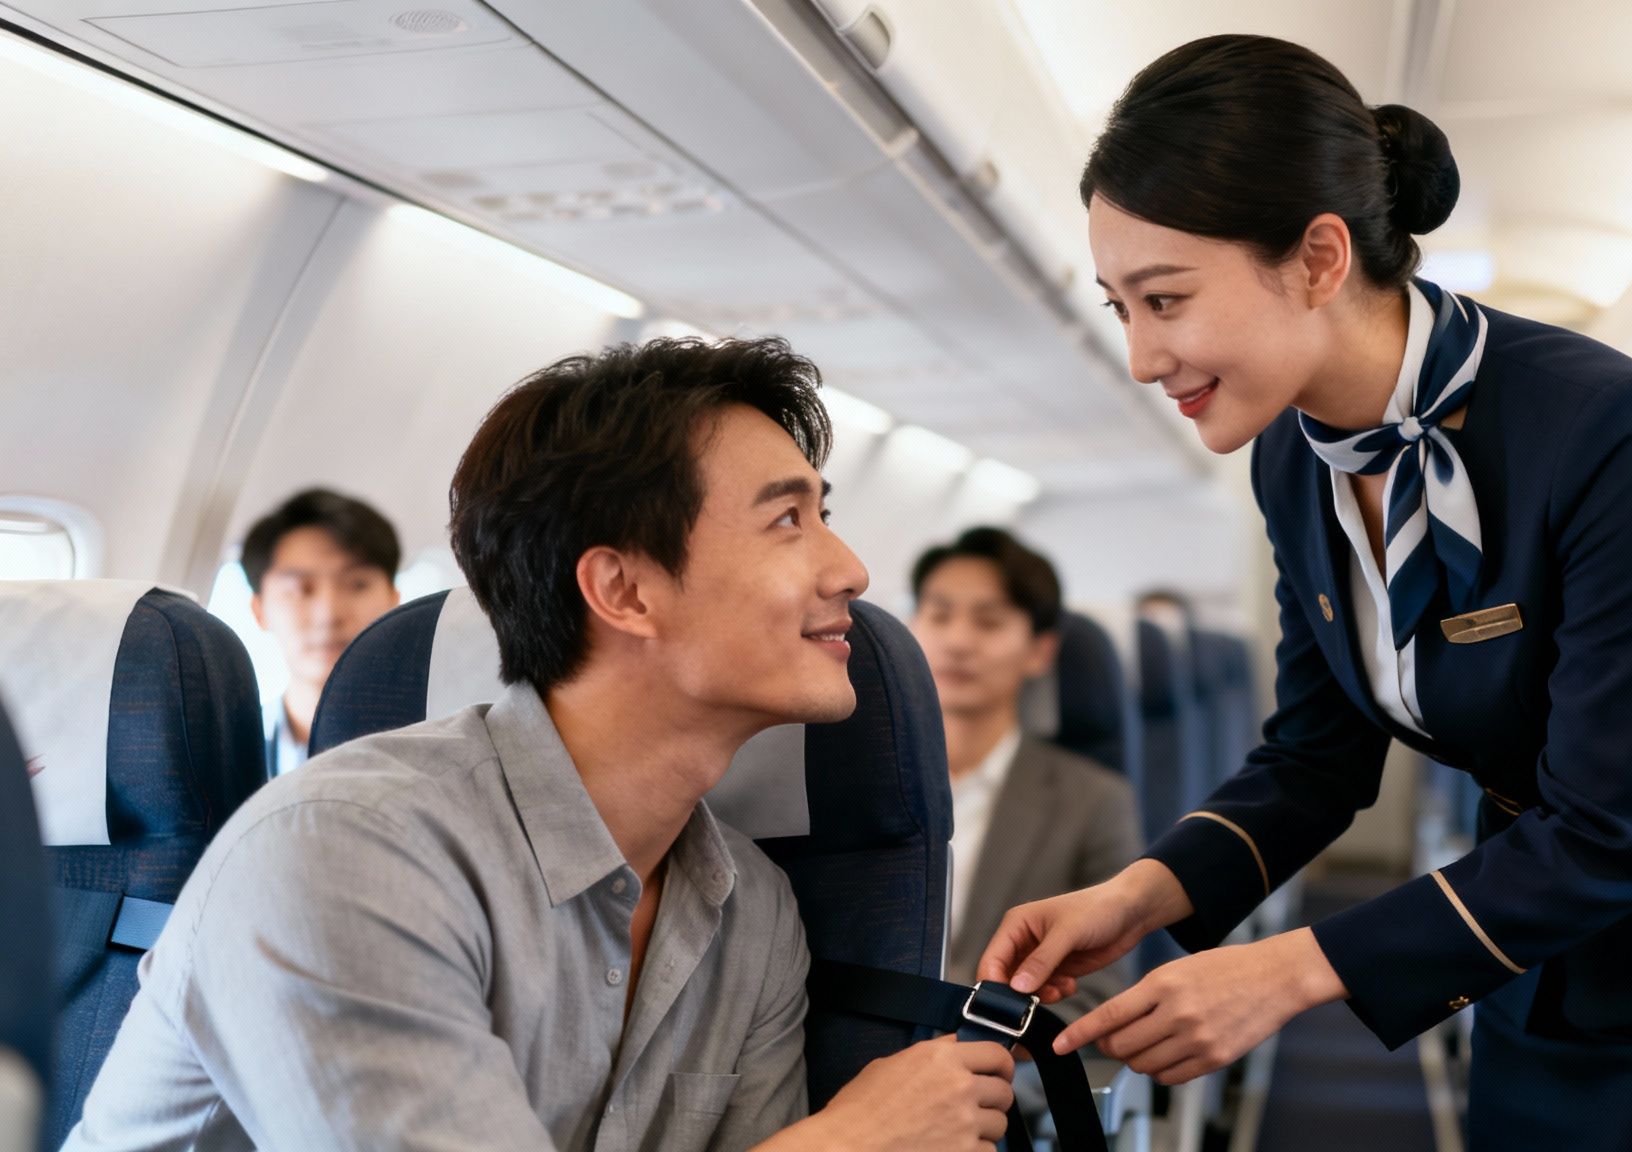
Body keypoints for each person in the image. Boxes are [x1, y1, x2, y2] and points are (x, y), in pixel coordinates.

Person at [976, 35, 1632, 1151]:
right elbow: (1316, 757)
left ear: (1315, 257)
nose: (1141, 358)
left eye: (1164, 300)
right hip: (1517, 945)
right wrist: (1142, 892)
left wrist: (1286, 972)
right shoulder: (1289, 455)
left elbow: (1609, 828)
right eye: (1120, 307)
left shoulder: (1604, 430)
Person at [64, 338, 1014, 1152]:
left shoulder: (751, 916)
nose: (848, 570)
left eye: (825, 515)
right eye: (787, 521)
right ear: (625, 591)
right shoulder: (343, 852)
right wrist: (845, 1141)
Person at [908, 527, 1140, 1019]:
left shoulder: (1093, 801)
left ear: (1039, 651)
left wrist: (972, 1048)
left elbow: (1097, 988)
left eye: (988, 622)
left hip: (999, 1072)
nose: (957, 641)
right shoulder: (861, 788)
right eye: (939, 615)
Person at [239, 488, 401, 776]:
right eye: (301, 589)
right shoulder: (228, 757)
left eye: (357, 585)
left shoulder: (437, 747)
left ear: (393, 601)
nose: (328, 614)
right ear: (259, 610)